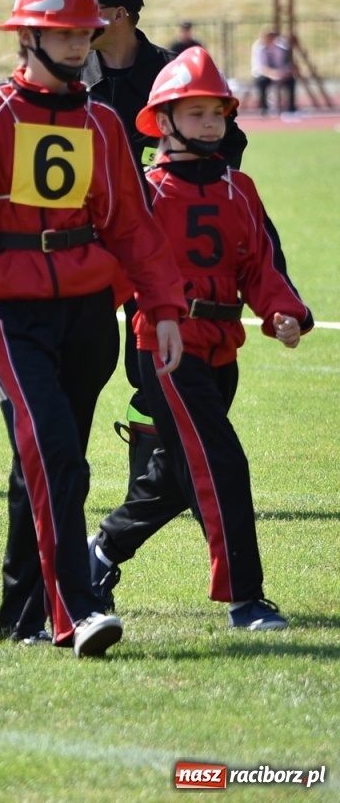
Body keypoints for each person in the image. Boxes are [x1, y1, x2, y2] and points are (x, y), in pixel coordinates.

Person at [0, 0, 186, 657]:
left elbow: (133, 226)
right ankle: (78, 610)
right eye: (61, 32)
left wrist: (161, 308)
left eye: (82, 32)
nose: (75, 44)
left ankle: (19, 616)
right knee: (59, 454)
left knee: (38, 459)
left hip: (91, 307)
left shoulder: (100, 121)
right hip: (11, 309)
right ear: (28, 37)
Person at [90, 47, 312, 632]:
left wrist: (283, 312)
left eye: (218, 113)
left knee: (175, 477)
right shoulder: (146, 192)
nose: (211, 124)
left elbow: (261, 265)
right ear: (163, 121)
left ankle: (98, 555)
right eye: (195, 114)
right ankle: (246, 600)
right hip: (167, 348)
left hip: (222, 347)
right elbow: (113, 271)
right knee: (221, 463)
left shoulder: (241, 189)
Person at [80, 0, 247, 499]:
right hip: (85, 244)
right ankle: (62, 472)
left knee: (150, 366)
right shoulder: (68, 71)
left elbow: (230, 141)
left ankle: (152, 484)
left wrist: (175, 174)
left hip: (158, 246)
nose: (76, 20)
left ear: (119, 14)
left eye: (89, 8)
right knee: (78, 360)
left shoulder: (171, 72)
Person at [250, 29, 296, 116]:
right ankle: (264, 108)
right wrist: (271, 74)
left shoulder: (282, 47)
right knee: (261, 82)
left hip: (279, 73)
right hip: (264, 74)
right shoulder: (258, 47)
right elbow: (259, 66)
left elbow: (286, 64)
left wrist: (282, 73)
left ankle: (291, 107)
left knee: (291, 81)